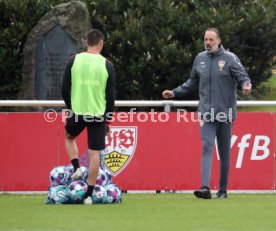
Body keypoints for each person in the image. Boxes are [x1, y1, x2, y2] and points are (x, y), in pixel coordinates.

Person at [162, 27, 251, 199]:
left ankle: (223, 190)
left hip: (225, 114)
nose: (208, 43)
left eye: (211, 40)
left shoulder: (230, 59)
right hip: (206, 113)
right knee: (207, 146)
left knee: (224, 152)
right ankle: (205, 188)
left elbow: (243, 77)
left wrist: (246, 86)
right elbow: (192, 82)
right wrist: (174, 93)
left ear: (219, 40)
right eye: (205, 40)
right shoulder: (200, 59)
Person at [61, 29, 116, 204]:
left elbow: (64, 89)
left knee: (69, 137)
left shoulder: (74, 60)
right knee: (94, 155)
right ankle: (89, 195)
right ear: (101, 44)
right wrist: (107, 119)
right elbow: (111, 97)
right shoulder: (107, 64)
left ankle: (76, 167)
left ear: (86, 43)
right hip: (98, 114)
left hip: (78, 112)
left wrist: (71, 108)